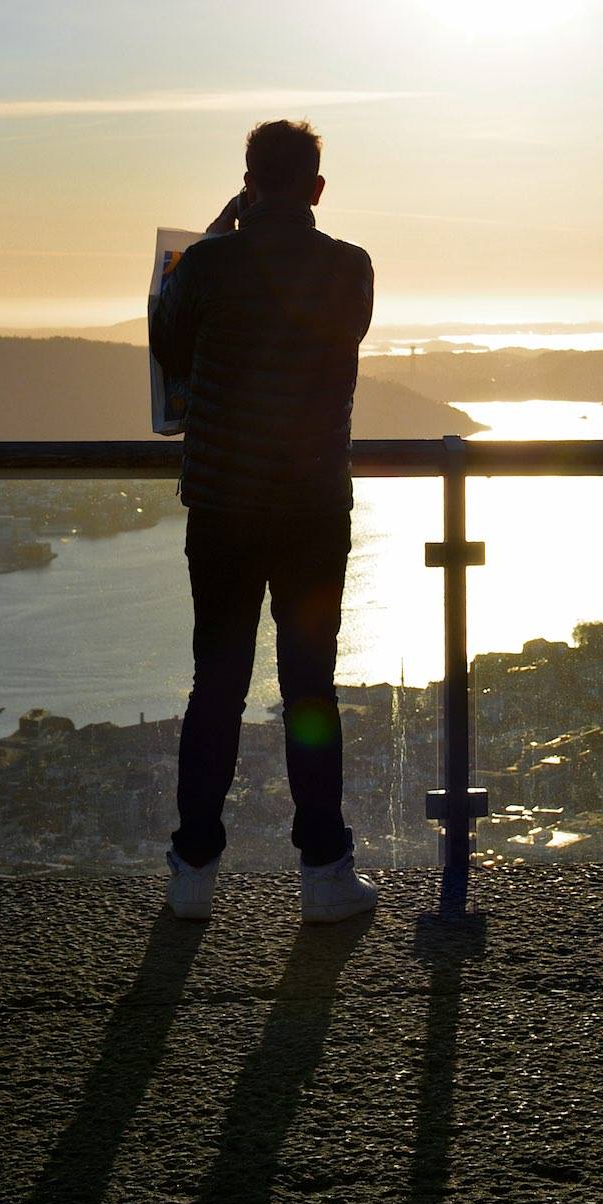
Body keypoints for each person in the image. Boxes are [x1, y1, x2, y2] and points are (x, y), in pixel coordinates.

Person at [149, 118, 377, 923]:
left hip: (221, 506)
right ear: (316, 187)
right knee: (309, 686)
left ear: (246, 179)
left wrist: (208, 241)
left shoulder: (207, 266)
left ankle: (192, 874)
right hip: (312, 505)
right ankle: (323, 871)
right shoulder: (349, 268)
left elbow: (169, 348)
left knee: (217, 683)